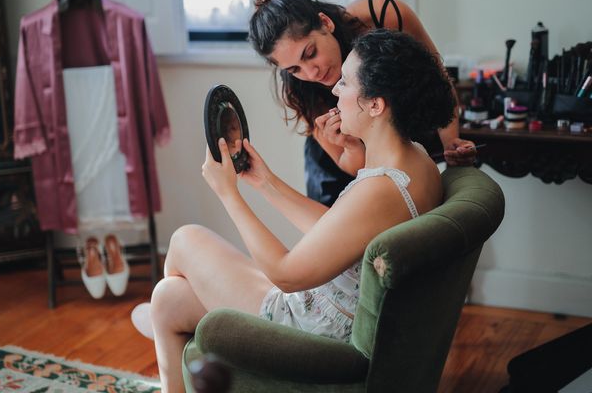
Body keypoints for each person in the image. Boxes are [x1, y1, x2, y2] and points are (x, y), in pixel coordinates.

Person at [149, 29, 456, 392]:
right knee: (167, 300)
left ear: (375, 105)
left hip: (314, 327)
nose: (335, 91)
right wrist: (266, 182)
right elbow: (341, 229)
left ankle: (189, 352)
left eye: (345, 82)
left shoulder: (381, 188)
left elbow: (286, 274)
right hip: (331, 307)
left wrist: (228, 194)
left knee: (185, 240)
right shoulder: (415, 159)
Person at [249, 0, 476, 207]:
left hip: (402, 138)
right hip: (339, 165)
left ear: (325, 22)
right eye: (294, 69)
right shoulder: (301, 89)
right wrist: (350, 145)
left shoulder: (382, 16)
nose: (311, 73)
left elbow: (436, 79)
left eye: (311, 53)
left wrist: (451, 141)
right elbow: (349, 163)